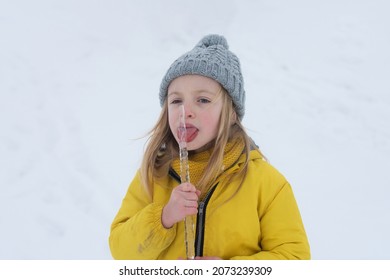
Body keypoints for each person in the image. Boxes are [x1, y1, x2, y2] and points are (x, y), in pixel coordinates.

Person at [109, 34, 310, 260]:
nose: (186, 111)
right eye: (176, 101)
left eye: (202, 100)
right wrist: (163, 218)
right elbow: (120, 251)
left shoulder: (267, 184)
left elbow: (295, 258)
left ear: (231, 113)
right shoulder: (153, 176)